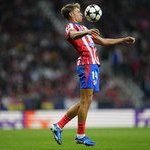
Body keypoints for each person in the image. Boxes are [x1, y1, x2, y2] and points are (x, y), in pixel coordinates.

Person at [50, 3, 135, 146]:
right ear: (71, 14)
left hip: (93, 65)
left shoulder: (83, 28)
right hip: (86, 64)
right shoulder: (71, 27)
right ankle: (80, 135)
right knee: (85, 101)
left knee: (86, 101)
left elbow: (103, 41)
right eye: (78, 11)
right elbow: (72, 35)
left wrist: (123, 40)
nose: (81, 14)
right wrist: (87, 32)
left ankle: (58, 126)